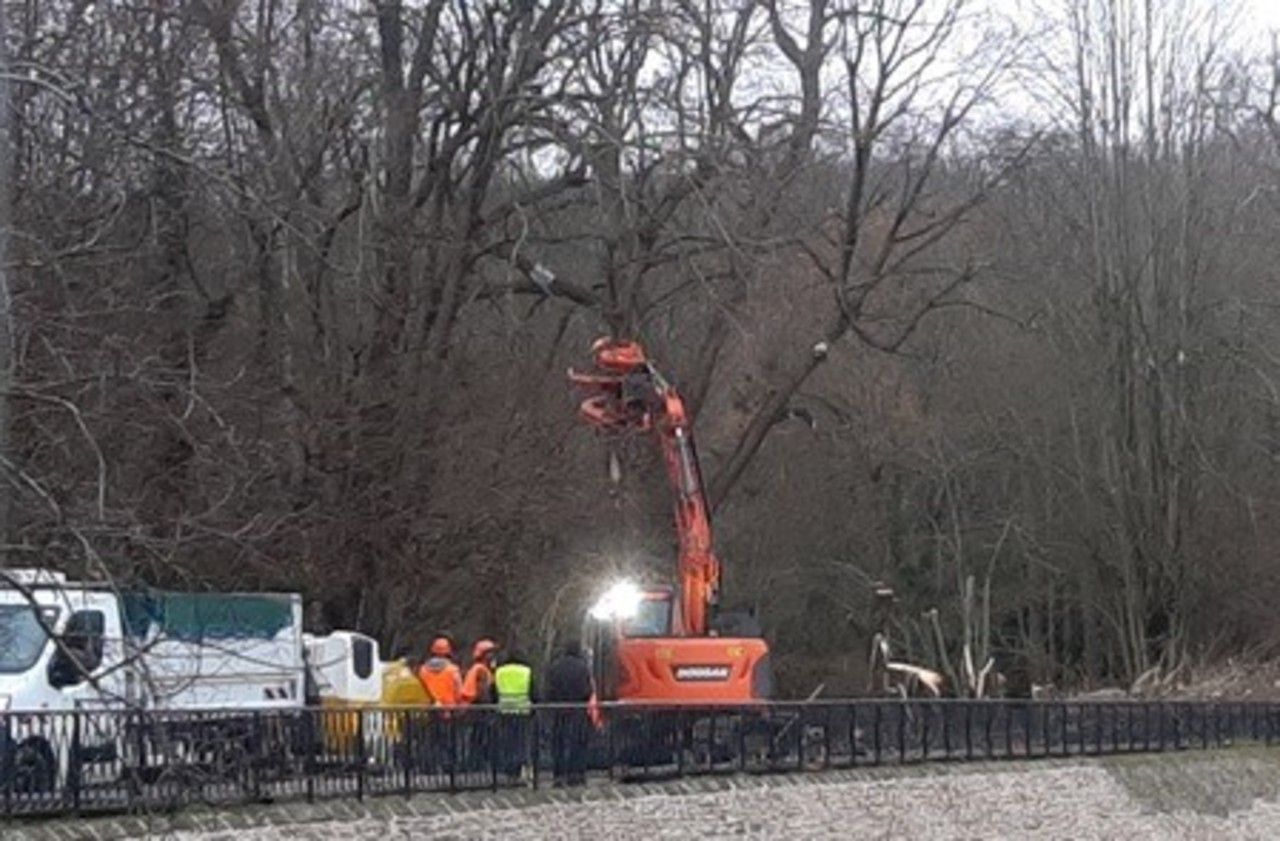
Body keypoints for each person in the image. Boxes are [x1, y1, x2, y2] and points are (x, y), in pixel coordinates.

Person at [544, 639, 595, 786]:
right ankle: (576, 774)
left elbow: (549, 689)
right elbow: (588, 690)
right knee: (578, 742)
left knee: (559, 743)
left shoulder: (555, 667)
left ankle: (558, 774)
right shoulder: (582, 668)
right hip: (578, 710)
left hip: (559, 710)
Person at [417, 636, 463, 775]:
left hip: (428, 711)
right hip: (449, 711)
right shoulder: (452, 670)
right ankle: (448, 768)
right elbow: (458, 690)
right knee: (448, 741)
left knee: (429, 741)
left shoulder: (423, 670)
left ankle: (428, 768)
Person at [493, 648, 535, 781]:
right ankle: (520, 767)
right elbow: (534, 691)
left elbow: (493, 691)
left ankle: (509, 770)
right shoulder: (526, 671)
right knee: (521, 741)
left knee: (507, 741)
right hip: (522, 710)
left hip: (504, 710)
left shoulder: (499, 672)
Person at [461, 638, 498, 705]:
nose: (493, 655)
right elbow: (482, 694)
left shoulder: (484, 669)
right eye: (490, 652)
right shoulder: (480, 669)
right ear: (482, 654)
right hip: (477, 708)